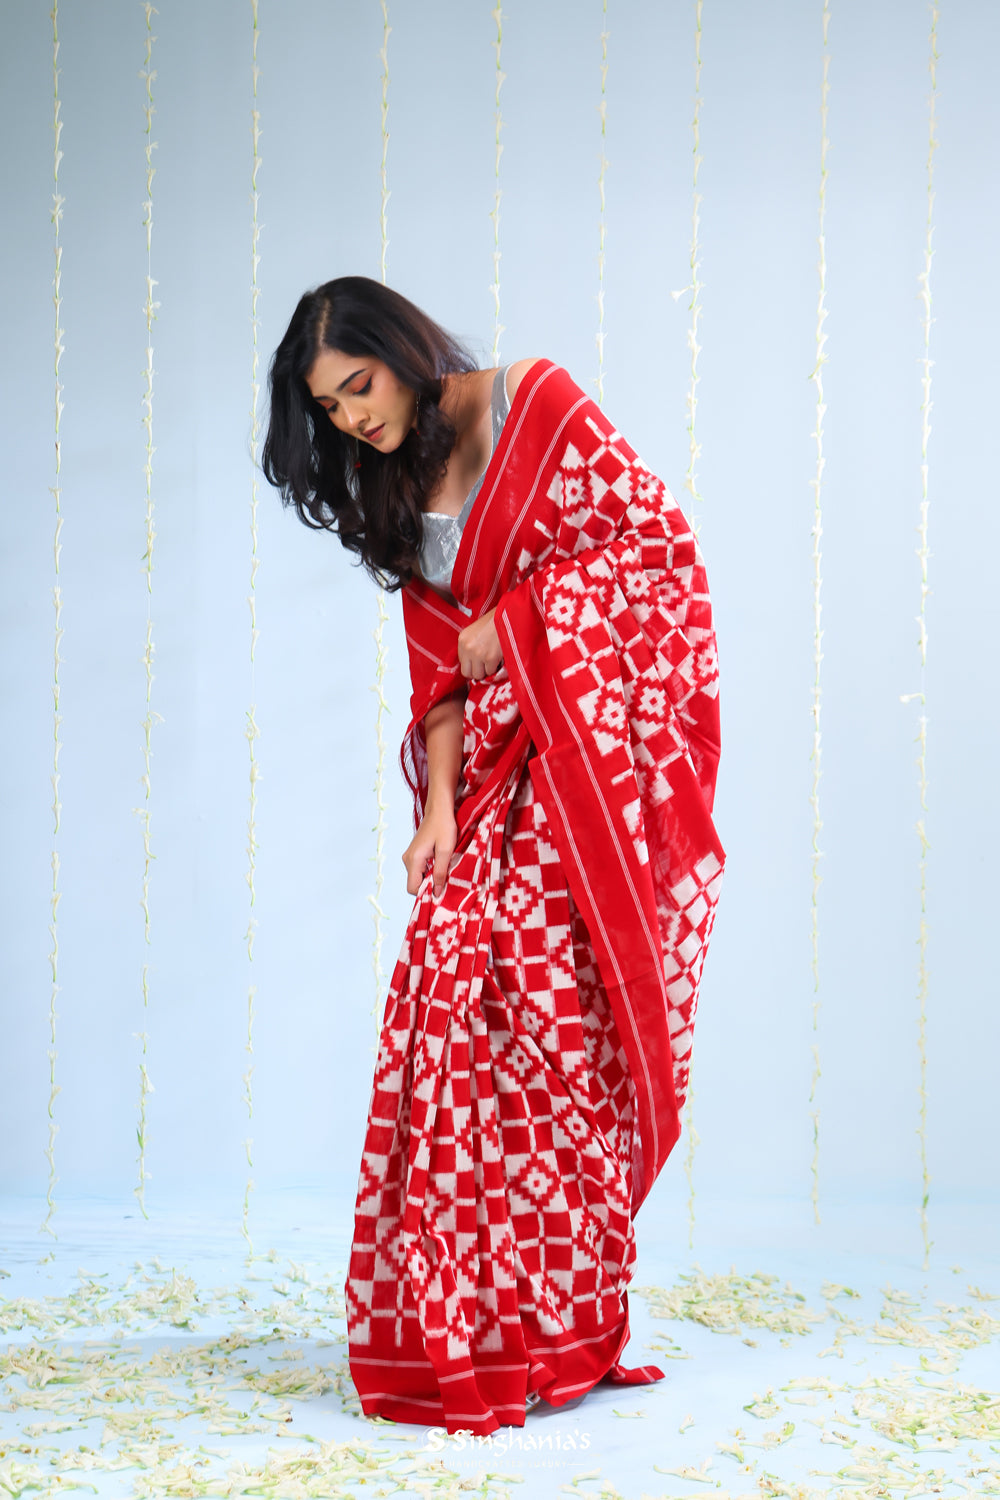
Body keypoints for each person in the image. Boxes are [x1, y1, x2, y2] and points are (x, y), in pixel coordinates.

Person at [263, 276, 725, 1437]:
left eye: (357, 387)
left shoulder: (538, 404)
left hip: (587, 781)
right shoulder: (392, 483)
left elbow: (656, 551)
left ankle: (563, 1327)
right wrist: (438, 815)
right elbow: (440, 675)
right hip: (495, 784)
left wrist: (518, 623)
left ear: (400, 349)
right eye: (328, 409)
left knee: (558, 1044)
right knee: (451, 1024)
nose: (352, 419)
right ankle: (463, 1326)